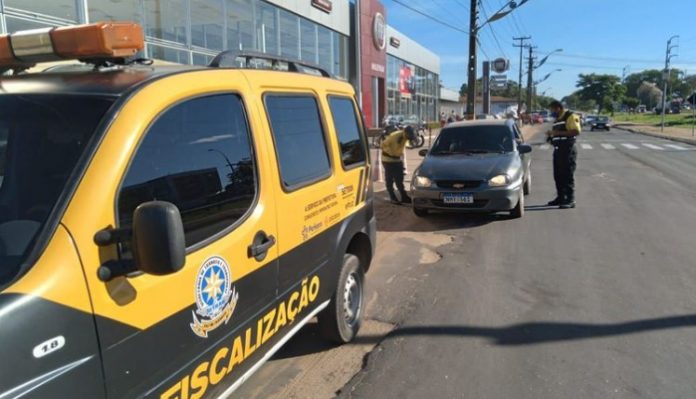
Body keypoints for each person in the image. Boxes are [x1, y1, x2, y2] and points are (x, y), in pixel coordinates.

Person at [546, 100, 581, 209]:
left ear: (558, 108)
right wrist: (551, 137)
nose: (551, 112)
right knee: (558, 176)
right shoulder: (557, 119)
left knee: (567, 175)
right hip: (558, 150)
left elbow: (575, 131)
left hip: (568, 150)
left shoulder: (570, 116)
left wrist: (557, 133)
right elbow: (557, 134)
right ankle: (561, 197)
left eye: (552, 110)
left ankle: (570, 200)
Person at [381, 125, 416, 205]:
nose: (409, 138)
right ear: (405, 133)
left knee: (399, 178)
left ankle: (404, 197)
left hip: (397, 159)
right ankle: (392, 197)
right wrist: (390, 154)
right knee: (390, 179)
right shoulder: (394, 136)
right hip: (388, 160)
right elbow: (383, 145)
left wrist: (411, 145)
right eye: (409, 136)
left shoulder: (405, 137)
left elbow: (406, 144)